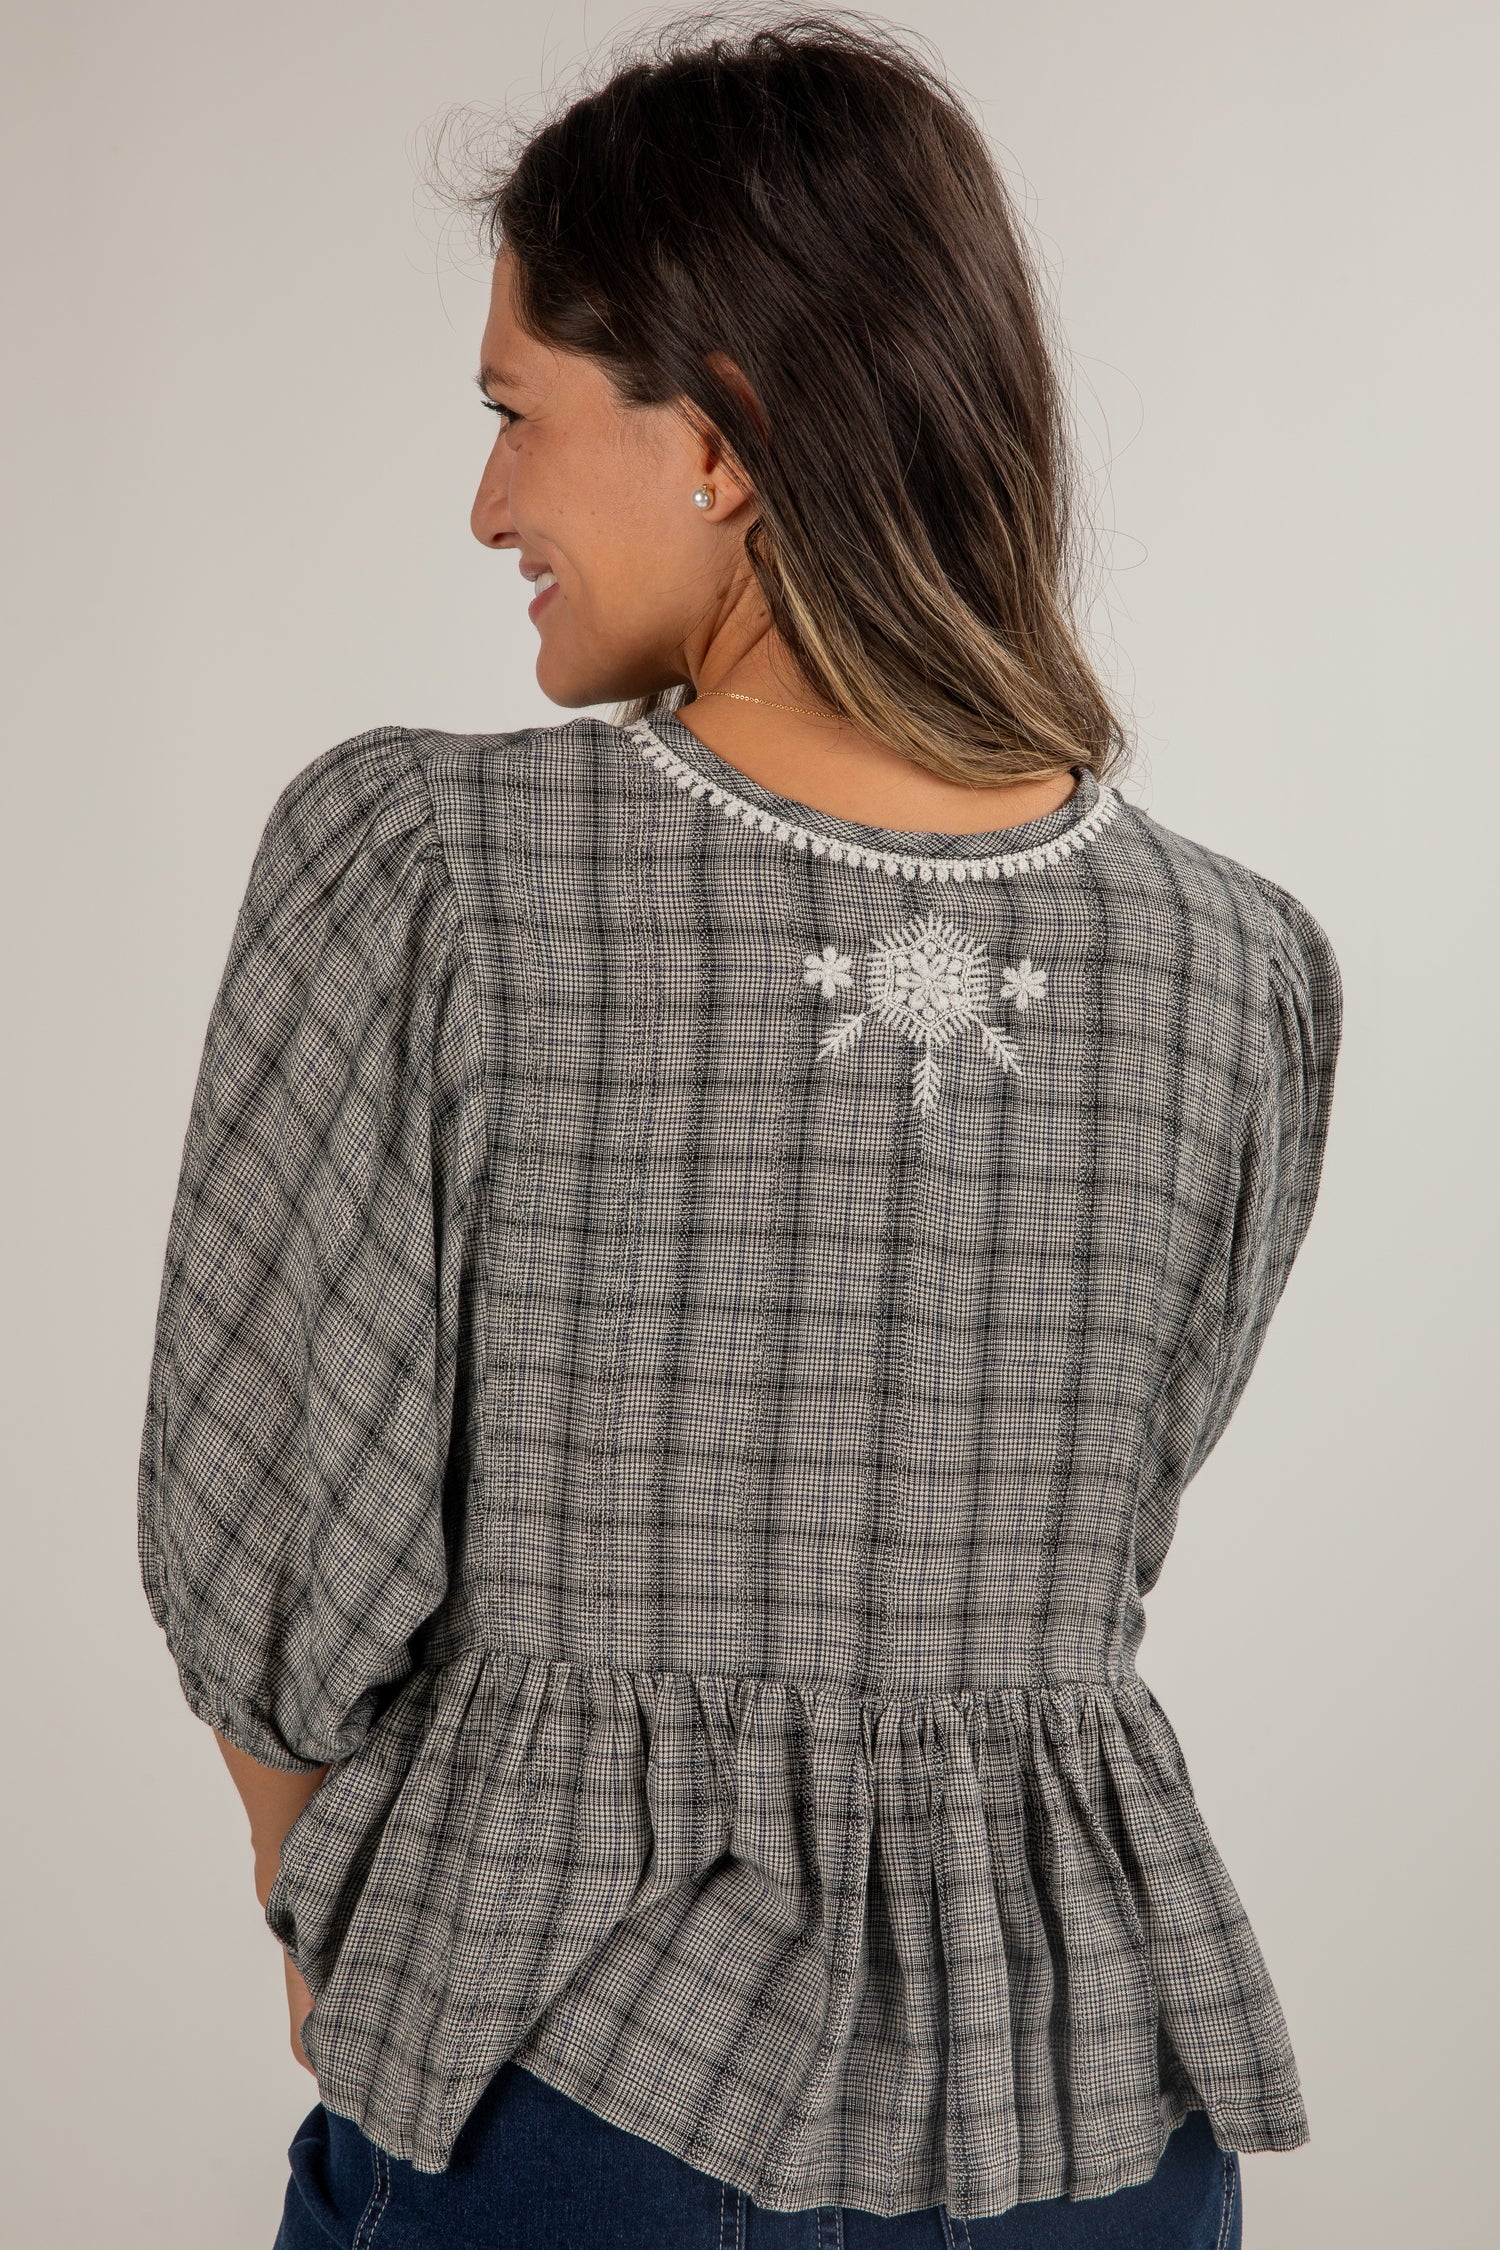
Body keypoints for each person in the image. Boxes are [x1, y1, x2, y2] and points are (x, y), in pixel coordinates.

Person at [135, 13, 1343, 2247]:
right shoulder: (1235, 969)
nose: (485, 502)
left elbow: (279, 1516)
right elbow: (1120, 1509)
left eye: (516, 414)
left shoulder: (435, 872)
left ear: (724, 433)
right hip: (1092, 2113)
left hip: (564, 2071)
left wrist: (323, 1888)